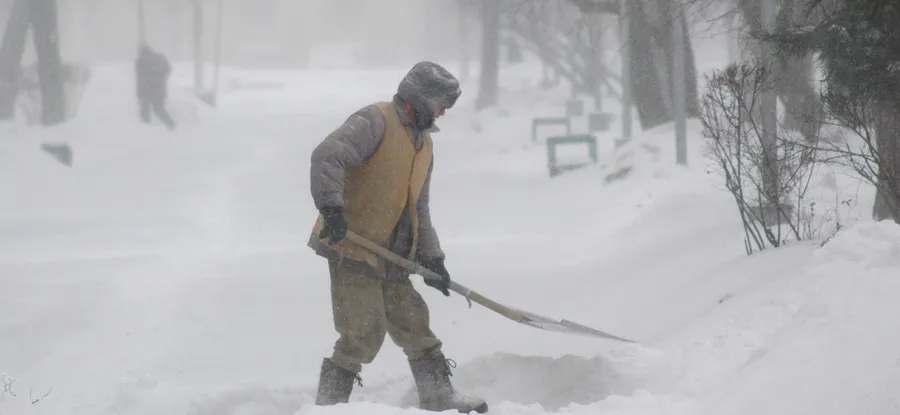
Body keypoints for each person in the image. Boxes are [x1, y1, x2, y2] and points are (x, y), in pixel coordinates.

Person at [307, 61, 488, 414]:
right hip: (353, 246)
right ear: (420, 99)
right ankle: (328, 407)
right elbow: (327, 156)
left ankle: (439, 395)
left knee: (414, 322)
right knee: (361, 333)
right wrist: (332, 210)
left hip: (393, 255)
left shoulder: (423, 144)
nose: (444, 114)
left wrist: (432, 256)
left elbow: (418, 207)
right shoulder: (375, 121)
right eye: (441, 105)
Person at [135, 43, 176, 130]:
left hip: (146, 91)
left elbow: (140, 78)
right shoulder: (159, 58)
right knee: (159, 109)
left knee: (145, 111)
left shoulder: (141, 61)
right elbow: (168, 70)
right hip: (159, 90)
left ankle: (145, 130)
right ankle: (171, 125)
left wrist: (139, 94)